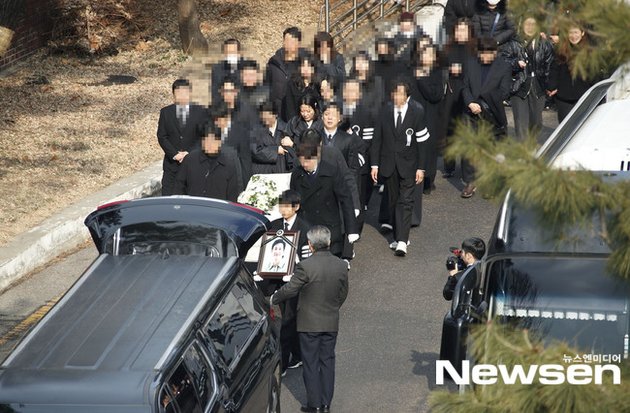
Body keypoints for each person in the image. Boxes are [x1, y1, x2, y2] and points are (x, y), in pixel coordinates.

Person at [272, 225, 349, 413]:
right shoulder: (340, 265)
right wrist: (333, 307)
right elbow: (343, 292)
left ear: (310, 245)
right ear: (329, 242)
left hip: (308, 324)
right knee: (328, 362)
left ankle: (314, 404)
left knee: (311, 363)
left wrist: (272, 298)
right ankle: (326, 403)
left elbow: (290, 289)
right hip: (331, 321)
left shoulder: (305, 266)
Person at [370, 79, 431, 257]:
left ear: (407, 96)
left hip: (409, 165)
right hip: (388, 165)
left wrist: (421, 168)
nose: (397, 97)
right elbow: (377, 140)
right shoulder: (385, 111)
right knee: (394, 200)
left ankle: (402, 241)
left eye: (401, 94)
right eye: (395, 93)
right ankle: (398, 235)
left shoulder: (417, 111)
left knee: (406, 201)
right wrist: (375, 164)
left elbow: (422, 142)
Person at [266, 189, 311, 374]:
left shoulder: (305, 228)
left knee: (288, 322)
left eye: (287, 206)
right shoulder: (274, 225)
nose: (283, 210)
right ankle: (298, 354)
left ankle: (283, 363)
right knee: (289, 319)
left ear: (296, 207)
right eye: (281, 205)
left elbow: (307, 259)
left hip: (296, 281)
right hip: (279, 280)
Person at [460, 36, 511, 198]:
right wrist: (470, 102)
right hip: (471, 113)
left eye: (489, 53)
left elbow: (504, 91)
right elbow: (464, 86)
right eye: (483, 53)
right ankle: (470, 182)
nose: (486, 56)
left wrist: (482, 104)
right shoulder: (471, 63)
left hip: (492, 114)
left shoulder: (503, 66)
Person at [291, 138, 358, 258]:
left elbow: (345, 200)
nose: (304, 164)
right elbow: (293, 199)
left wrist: (351, 229)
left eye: (307, 160)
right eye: (301, 161)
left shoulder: (331, 171)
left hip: (329, 227)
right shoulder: (297, 174)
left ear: (316, 157)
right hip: (307, 227)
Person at [505, 15, 554, 141]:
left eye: (533, 24)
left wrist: (550, 85)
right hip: (519, 85)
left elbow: (550, 65)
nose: (530, 27)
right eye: (527, 24)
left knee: (536, 122)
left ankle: (532, 145)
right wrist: (516, 63)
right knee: (521, 122)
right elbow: (503, 60)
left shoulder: (544, 44)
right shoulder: (514, 43)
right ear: (522, 26)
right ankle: (524, 152)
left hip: (538, 86)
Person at [439, 18, 476, 178]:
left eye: (464, 30)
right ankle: (449, 164)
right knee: (449, 129)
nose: (460, 33)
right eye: (458, 30)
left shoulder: (473, 49)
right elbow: (439, 66)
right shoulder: (449, 48)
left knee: (466, 129)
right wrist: (448, 69)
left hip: (467, 91)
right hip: (452, 92)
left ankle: (467, 168)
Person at [156, 79, 207, 196]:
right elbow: (162, 136)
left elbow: (204, 137)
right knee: (168, 200)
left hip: (194, 164)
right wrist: (175, 154)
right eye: (178, 92)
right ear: (173, 94)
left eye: (185, 92)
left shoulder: (201, 111)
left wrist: (189, 153)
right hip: (172, 165)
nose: (182, 95)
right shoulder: (165, 112)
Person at [172, 124, 240, 201]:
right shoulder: (190, 159)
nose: (210, 144)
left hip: (217, 210)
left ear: (220, 142)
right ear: (202, 142)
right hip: (192, 208)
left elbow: (232, 195)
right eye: (207, 140)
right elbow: (179, 186)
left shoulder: (228, 165)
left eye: (214, 140)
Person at [410, 44, 444, 195]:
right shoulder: (412, 72)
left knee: (429, 148)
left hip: (431, 115)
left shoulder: (436, 73)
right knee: (414, 146)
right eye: (425, 54)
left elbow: (435, 95)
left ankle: (428, 180)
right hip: (415, 115)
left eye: (431, 54)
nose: (427, 57)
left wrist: (422, 79)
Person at [547, 23, 598, 123]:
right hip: (564, 98)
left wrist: (594, 91)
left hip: (584, 97)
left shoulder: (590, 51)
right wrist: (551, 86)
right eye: (571, 32)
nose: (573, 36)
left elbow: (594, 73)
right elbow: (554, 68)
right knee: (565, 128)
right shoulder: (560, 49)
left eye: (576, 32)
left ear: (582, 33)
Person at [266, 27, 308, 122]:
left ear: (299, 44)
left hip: (299, 111)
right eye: (287, 41)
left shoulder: (306, 62)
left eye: (293, 42)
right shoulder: (274, 62)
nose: (289, 45)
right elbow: (267, 86)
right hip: (278, 111)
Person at [251, 101, 296, 174]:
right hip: (263, 171)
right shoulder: (256, 131)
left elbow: (292, 153)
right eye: (263, 116)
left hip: (282, 171)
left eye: (267, 116)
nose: (265, 119)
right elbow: (254, 151)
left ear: (275, 115)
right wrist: (275, 150)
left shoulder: (286, 129)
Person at [285, 53, 322, 122]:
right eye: (303, 66)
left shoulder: (317, 85)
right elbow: (289, 109)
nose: (305, 69)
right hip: (297, 123)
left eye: (308, 66)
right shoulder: (292, 84)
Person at [211, 38, 243, 105]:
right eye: (228, 53)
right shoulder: (217, 69)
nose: (230, 55)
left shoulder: (247, 68)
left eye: (233, 52)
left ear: (239, 53)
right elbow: (214, 94)